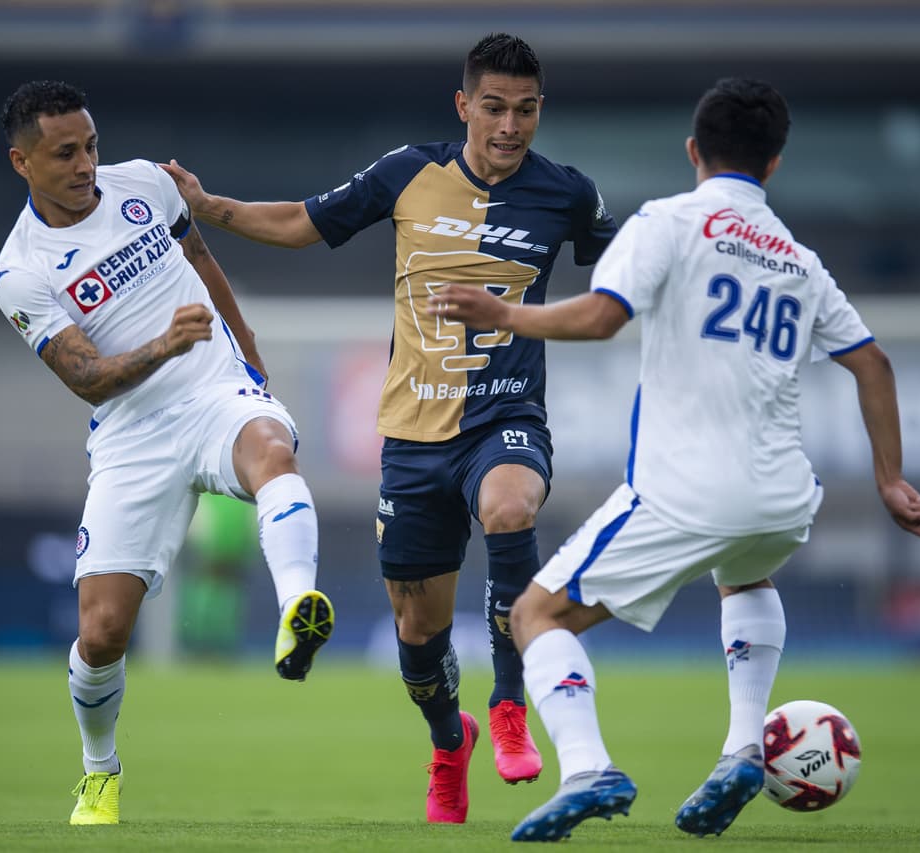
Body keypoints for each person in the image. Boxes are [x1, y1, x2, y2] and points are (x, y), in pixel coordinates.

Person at [430, 76, 920, 842]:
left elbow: (603, 317)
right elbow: (873, 364)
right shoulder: (799, 260)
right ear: (774, 165)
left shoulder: (669, 221)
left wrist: (507, 311)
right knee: (745, 569)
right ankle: (743, 748)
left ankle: (587, 767)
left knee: (535, 613)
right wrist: (891, 479)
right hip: (781, 495)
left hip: (685, 491)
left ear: (694, 152)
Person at [161, 32, 618, 823]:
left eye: (527, 111)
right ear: (464, 105)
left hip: (506, 415)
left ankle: (511, 707)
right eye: (496, 109)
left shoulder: (568, 194)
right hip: (412, 438)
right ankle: (452, 739)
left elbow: (624, 270)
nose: (510, 127)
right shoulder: (410, 172)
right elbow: (305, 222)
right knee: (417, 627)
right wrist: (208, 207)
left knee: (511, 508)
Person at [0, 80, 335, 826]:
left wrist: (248, 354)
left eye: (92, 146)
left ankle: (296, 610)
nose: (87, 165)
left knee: (274, 450)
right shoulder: (20, 271)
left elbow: (202, 257)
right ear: (22, 162)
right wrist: (162, 343)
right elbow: (85, 377)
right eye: (66, 153)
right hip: (132, 434)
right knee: (103, 631)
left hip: (215, 393)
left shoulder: (144, 183)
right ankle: (99, 770)